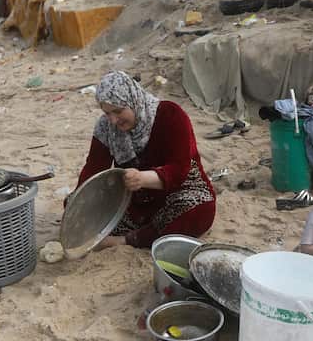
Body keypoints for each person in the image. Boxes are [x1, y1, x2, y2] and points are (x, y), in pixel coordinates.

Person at [77, 71, 216, 249]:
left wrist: (142, 178)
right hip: (135, 201)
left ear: (133, 100)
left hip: (178, 191)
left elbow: (179, 169)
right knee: (81, 206)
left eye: (118, 111)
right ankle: (144, 233)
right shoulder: (105, 127)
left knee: (199, 211)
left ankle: (125, 240)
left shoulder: (170, 114)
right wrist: (78, 203)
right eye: (107, 113)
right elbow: (93, 169)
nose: (113, 121)